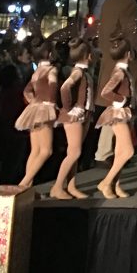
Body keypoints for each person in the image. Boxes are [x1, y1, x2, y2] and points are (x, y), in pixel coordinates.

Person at [96, 0, 137, 163]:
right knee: (125, 102)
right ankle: (114, 151)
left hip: (109, 57)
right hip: (124, 59)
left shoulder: (111, 0)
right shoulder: (129, 3)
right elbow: (131, 32)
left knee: (113, 105)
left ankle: (105, 150)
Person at [51, 38, 95, 199]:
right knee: (75, 152)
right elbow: (64, 87)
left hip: (83, 114)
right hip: (75, 115)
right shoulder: (77, 71)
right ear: (87, 55)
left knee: (75, 151)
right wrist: (69, 108)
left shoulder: (82, 71)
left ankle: (71, 186)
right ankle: (57, 186)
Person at [95, 38, 136, 199]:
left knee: (120, 152)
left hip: (123, 112)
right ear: (127, 54)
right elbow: (105, 91)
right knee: (128, 151)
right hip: (118, 113)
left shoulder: (123, 70)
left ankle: (115, 185)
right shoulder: (119, 72)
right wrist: (121, 100)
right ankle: (106, 182)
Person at [15, 40, 59, 189]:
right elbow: (53, 90)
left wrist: (34, 102)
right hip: (45, 110)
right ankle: (23, 184)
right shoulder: (51, 70)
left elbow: (26, 91)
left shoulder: (37, 72)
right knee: (46, 150)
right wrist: (50, 105)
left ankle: (27, 187)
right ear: (50, 53)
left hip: (34, 109)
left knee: (35, 151)